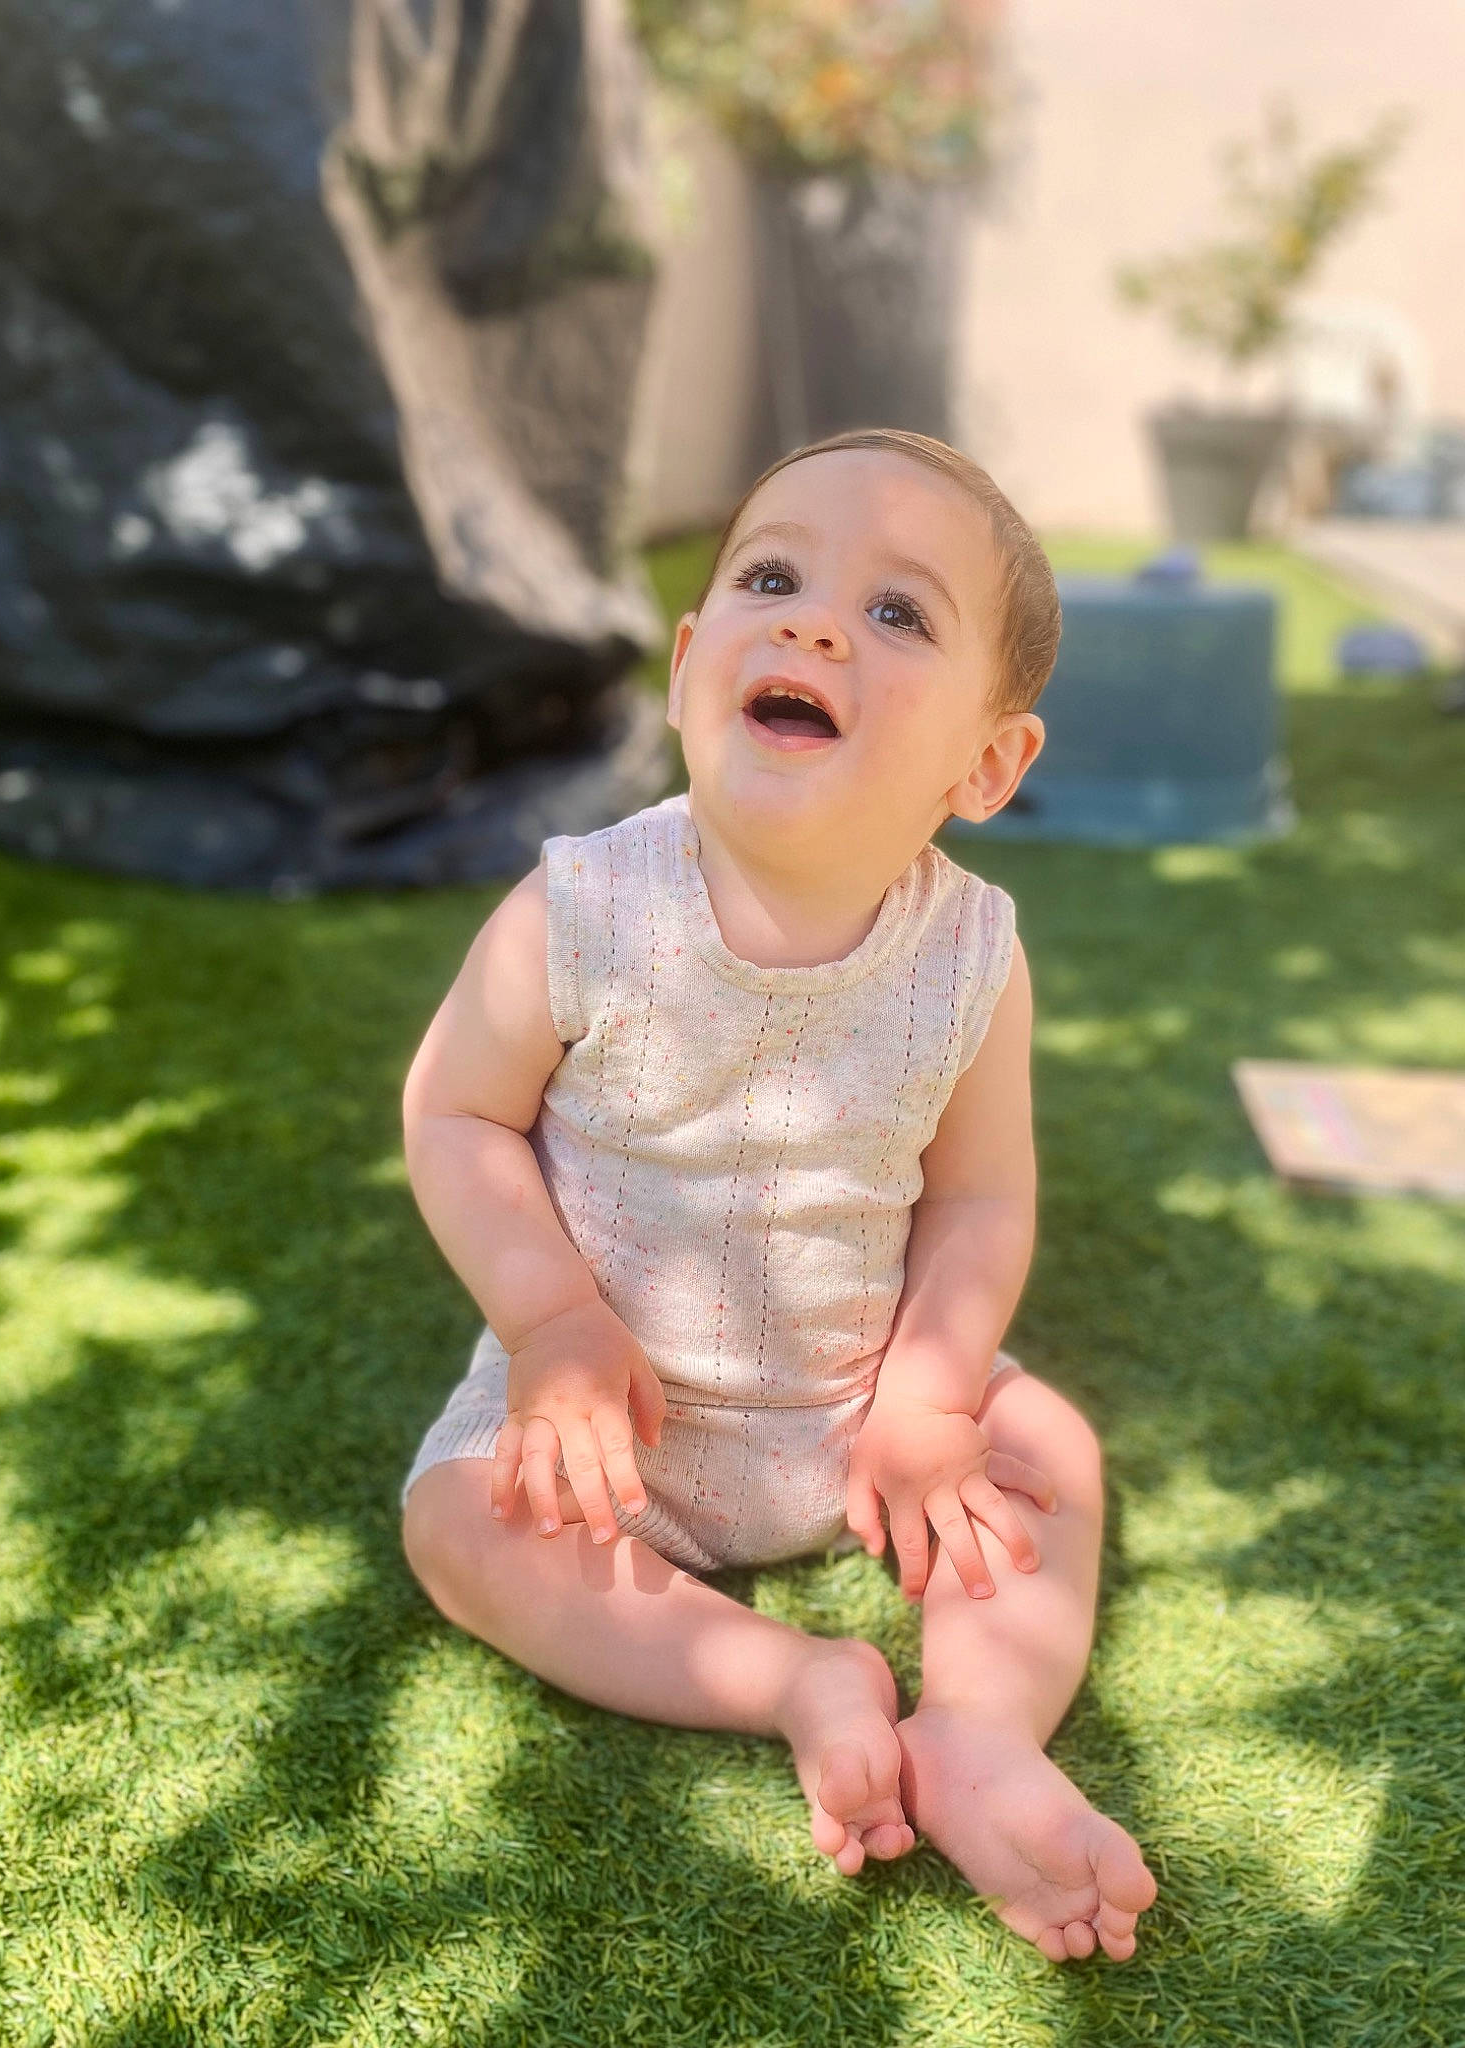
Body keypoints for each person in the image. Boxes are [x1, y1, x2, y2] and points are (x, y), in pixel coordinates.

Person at [399, 428, 1158, 1964]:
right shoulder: (584, 906)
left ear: (987, 764)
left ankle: (982, 1730)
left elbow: (980, 1204)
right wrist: (549, 1329)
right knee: (460, 1524)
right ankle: (785, 1677)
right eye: (771, 577)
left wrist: (933, 1395)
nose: (812, 623)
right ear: (691, 667)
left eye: (898, 614)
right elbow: (455, 1111)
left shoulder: (971, 957)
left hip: (862, 1417)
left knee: (1046, 1448)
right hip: (612, 1432)